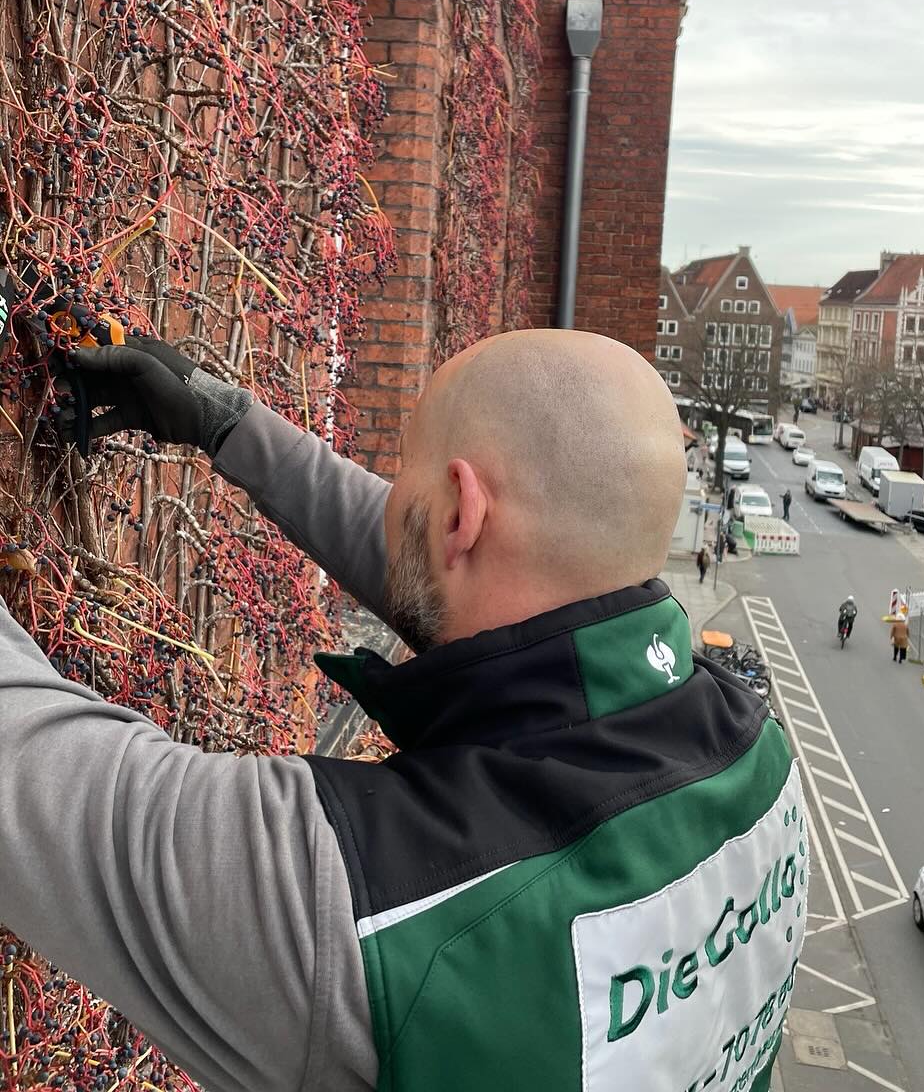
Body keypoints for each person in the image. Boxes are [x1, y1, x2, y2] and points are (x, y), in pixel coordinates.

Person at [1, 329, 804, 1092]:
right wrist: (230, 427)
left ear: (460, 511)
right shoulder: (756, 755)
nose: (389, 496)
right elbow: (452, 576)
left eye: (403, 472)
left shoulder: (363, 908)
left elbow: (30, 770)